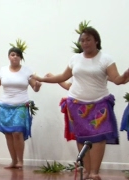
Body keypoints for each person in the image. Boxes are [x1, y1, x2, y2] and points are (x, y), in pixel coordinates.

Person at [32, 27, 129, 180]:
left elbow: (117, 79)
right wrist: (42, 79)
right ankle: (87, 172)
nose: (85, 43)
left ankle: (94, 173)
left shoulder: (106, 59)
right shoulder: (75, 59)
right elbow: (62, 76)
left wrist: (124, 76)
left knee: (99, 137)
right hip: (76, 104)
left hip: (99, 103)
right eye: (82, 40)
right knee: (82, 138)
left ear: (96, 40)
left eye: (88, 39)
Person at [0, 43, 42, 169]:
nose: (15, 57)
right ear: (9, 57)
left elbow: (35, 87)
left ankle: (20, 161)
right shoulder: (3, 70)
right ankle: (13, 160)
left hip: (20, 105)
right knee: (8, 134)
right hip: (5, 105)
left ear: (21, 58)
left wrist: (37, 85)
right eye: (12, 54)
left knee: (17, 132)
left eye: (17, 55)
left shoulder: (27, 71)